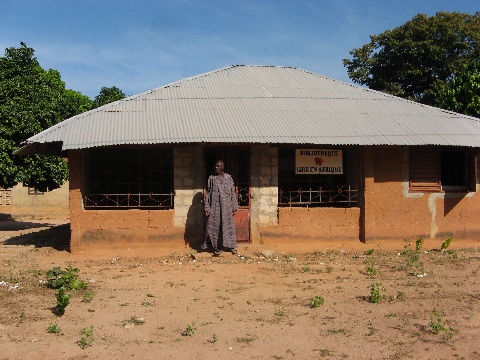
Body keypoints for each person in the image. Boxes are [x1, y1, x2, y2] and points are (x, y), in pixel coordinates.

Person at [203, 160, 238, 256]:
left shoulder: (228, 178)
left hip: (226, 207)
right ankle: (217, 247)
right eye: (215, 166)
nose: (216, 168)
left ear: (223, 167)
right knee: (215, 227)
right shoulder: (212, 178)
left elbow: (232, 192)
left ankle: (231, 246)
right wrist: (207, 208)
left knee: (228, 226)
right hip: (215, 207)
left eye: (219, 166)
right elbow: (209, 194)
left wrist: (234, 206)